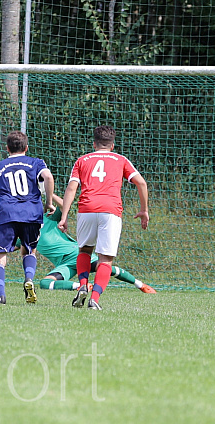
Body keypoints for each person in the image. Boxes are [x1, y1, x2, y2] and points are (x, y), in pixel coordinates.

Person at [0, 193, 156, 293]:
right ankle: (82, 286)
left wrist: (49, 194)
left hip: (77, 255)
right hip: (64, 265)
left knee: (108, 268)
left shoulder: (49, 219)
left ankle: (141, 285)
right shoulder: (24, 232)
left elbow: (64, 206)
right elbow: (9, 248)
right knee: (45, 284)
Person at [58, 125, 149, 310]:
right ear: (112, 145)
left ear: (94, 143)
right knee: (105, 259)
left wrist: (64, 216)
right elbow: (141, 182)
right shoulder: (121, 160)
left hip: (86, 209)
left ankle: (82, 285)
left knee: (84, 251)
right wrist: (144, 210)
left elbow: (71, 188)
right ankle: (95, 299)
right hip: (110, 210)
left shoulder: (82, 160)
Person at [0, 131, 55, 305]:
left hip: (7, 214)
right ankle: (29, 279)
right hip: (31, 213)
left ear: (7, 148)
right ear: (26, 147)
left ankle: (1, 295)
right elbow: (48, 176)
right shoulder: (36, 163)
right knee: (29, 249)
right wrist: (49, 202)